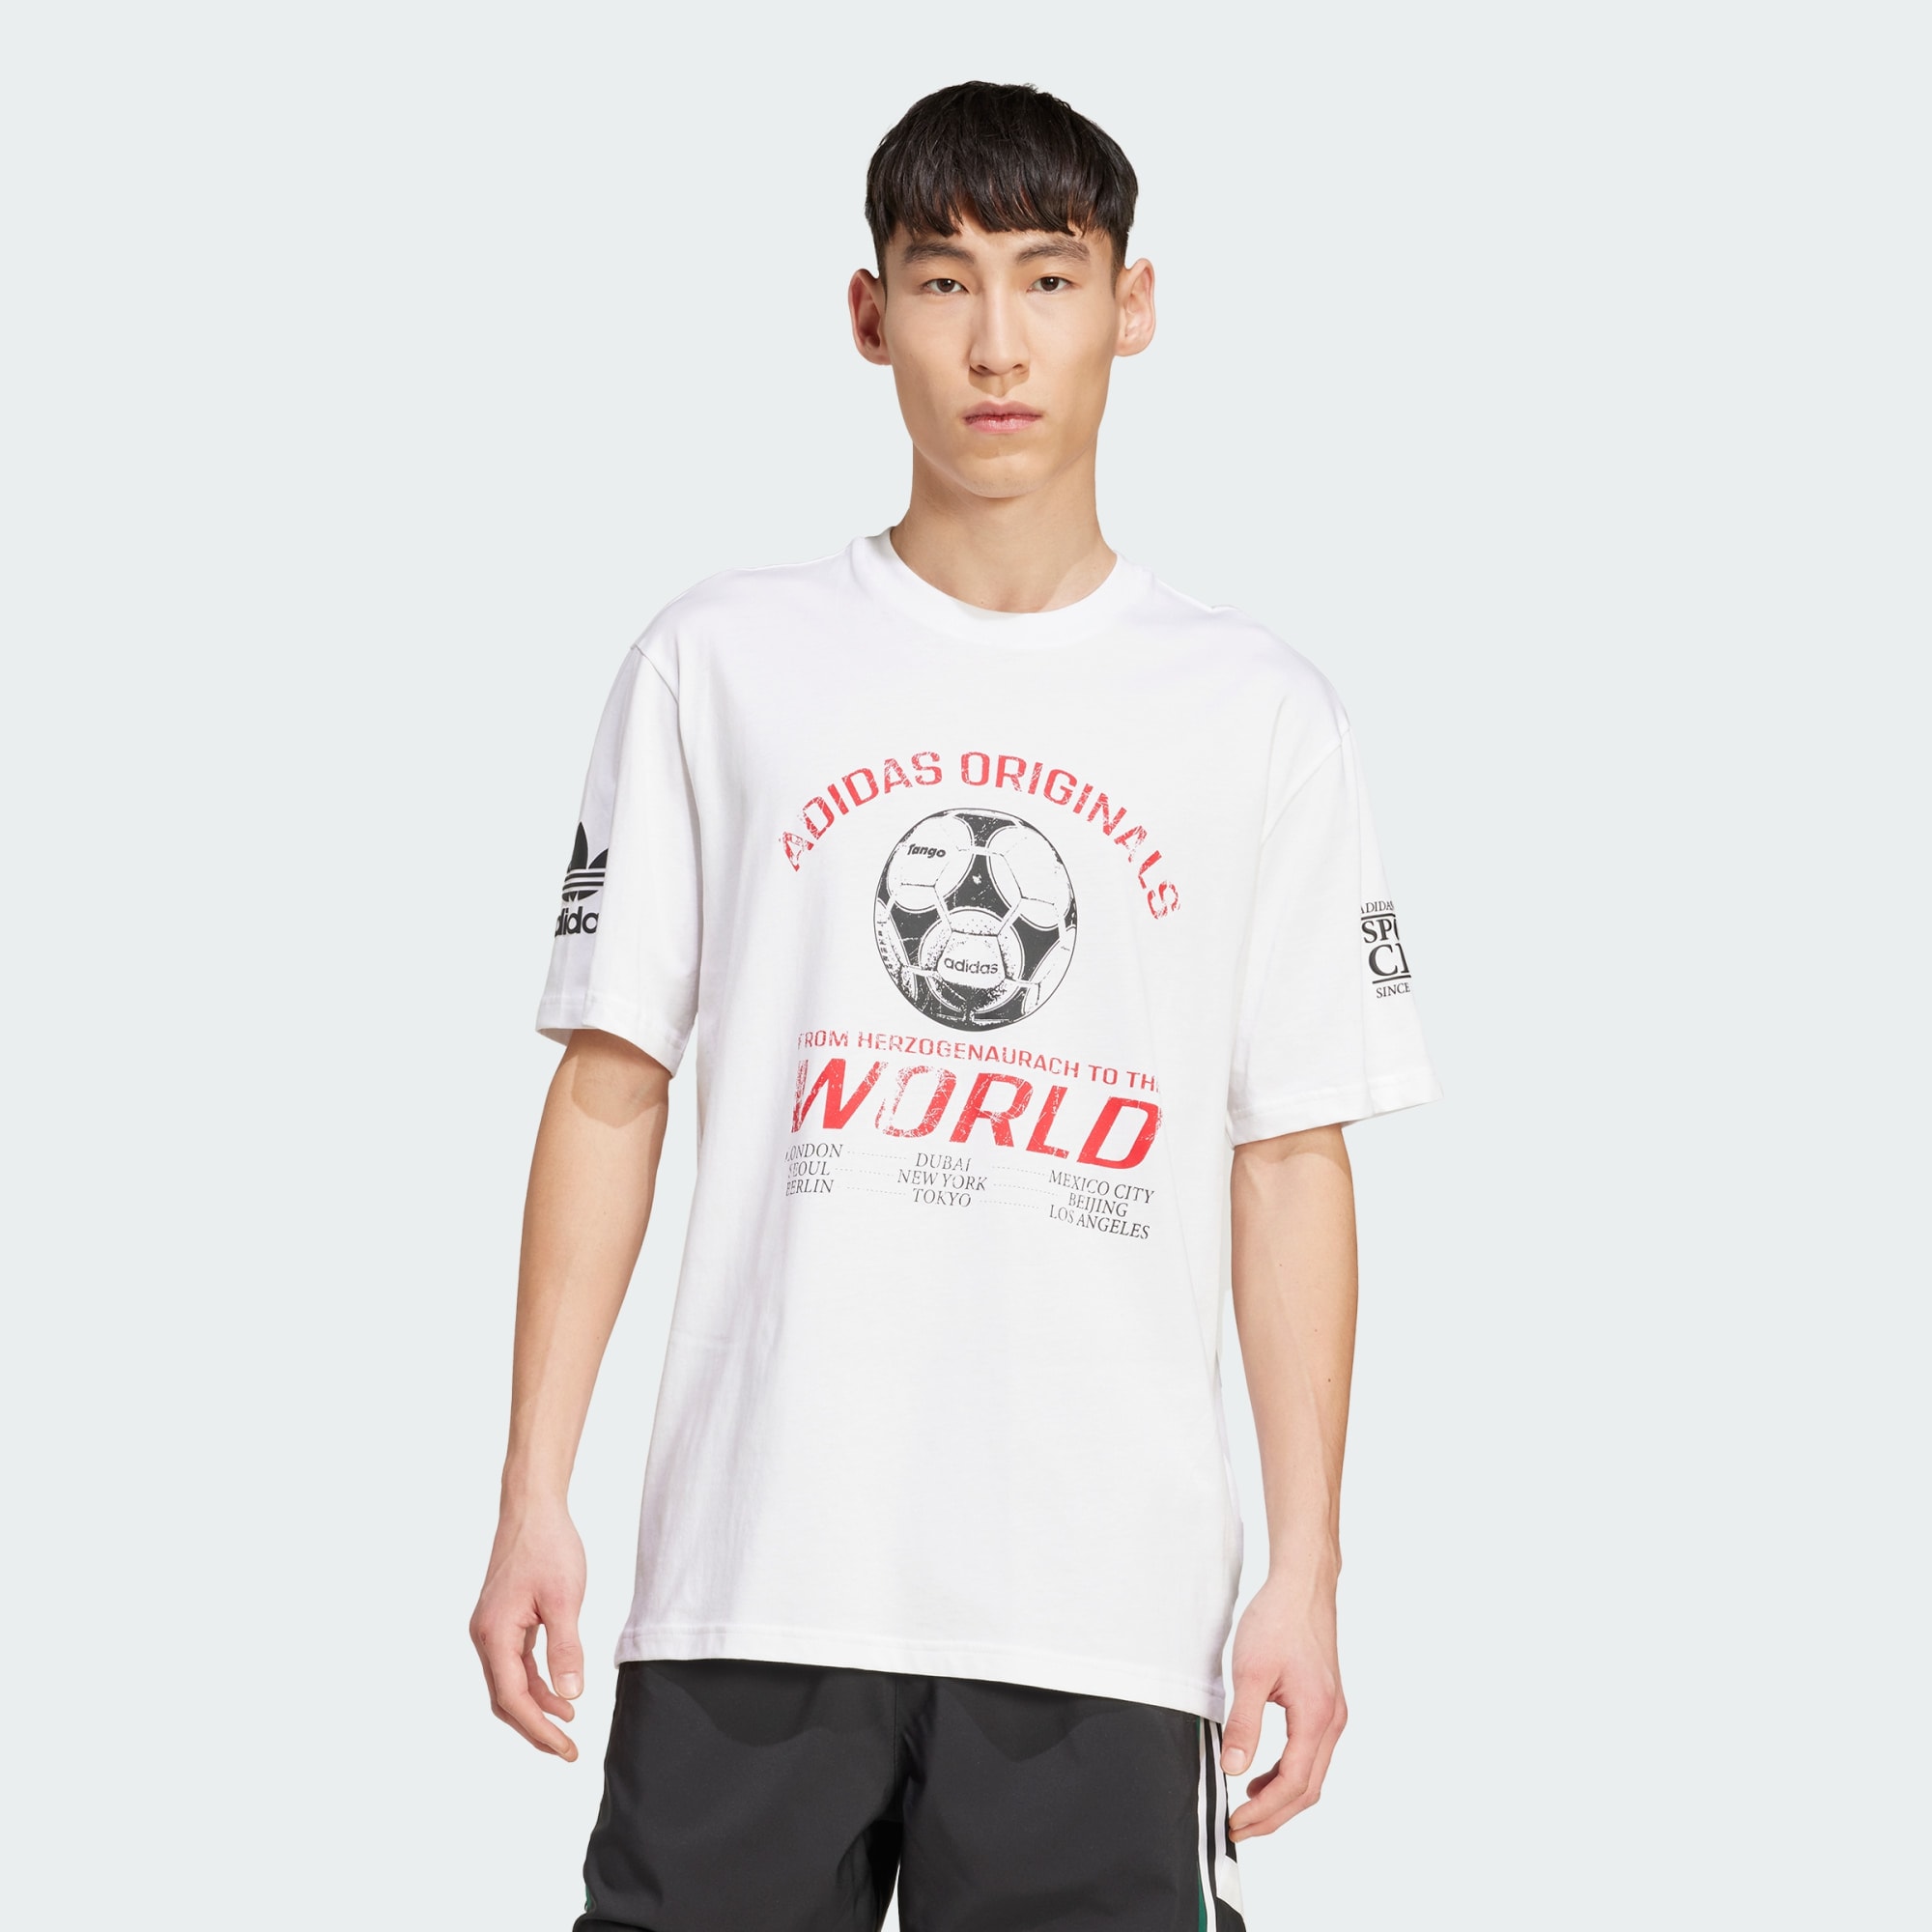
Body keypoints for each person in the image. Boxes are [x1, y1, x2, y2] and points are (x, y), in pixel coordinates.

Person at [470, 78, 1439, 1932]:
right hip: (757, 1576)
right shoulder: (719, 664)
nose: (998, 343)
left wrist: (1308, 1568)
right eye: (944, 280)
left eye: (1049, 279)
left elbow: (1289, 1155)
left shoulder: (1258, 715)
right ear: (870, 314)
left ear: (1132, 306)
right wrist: (534, 1489)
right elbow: (610, 1083)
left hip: (1104, 1613)